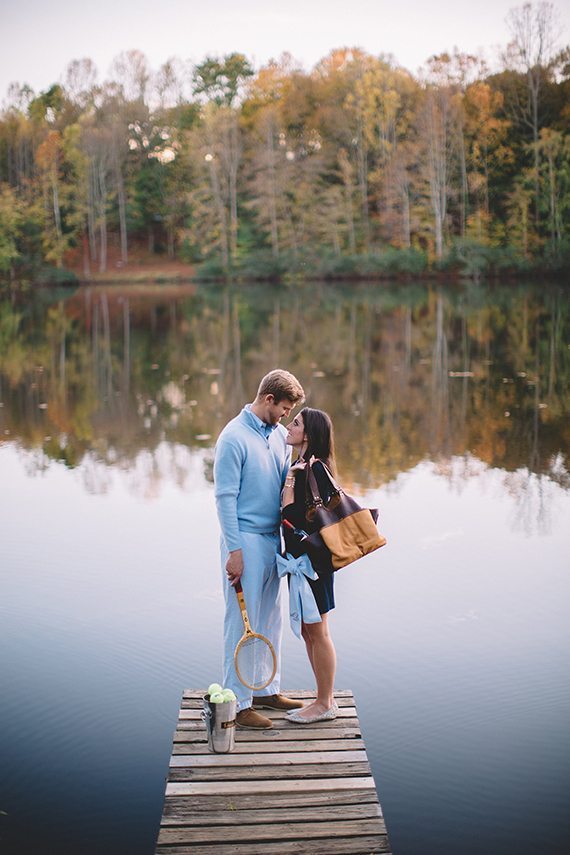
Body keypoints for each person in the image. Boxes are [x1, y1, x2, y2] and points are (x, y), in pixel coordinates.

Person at [214, 369, 306, 729]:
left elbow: (286, 479)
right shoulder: (233, 438)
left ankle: (265, 689)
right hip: (245, 540)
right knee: (241, 622)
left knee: (270, 618)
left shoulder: (279, 435)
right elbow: (224, 498)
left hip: (273, 540)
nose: (287, 416)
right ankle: (238, 704)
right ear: (268, 400)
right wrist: (234, 550)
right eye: (284, 408)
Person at [281, 407, 339, 724]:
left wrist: (290, 480)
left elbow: (290, 517)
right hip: (300, 562)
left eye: (296, 423)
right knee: (308, 630)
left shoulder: (313, 470)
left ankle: (325, 702)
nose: (289, 426)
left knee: (318, 631)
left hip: (314, 563)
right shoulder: (300, 466)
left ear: (309, 434)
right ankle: (321, 698)